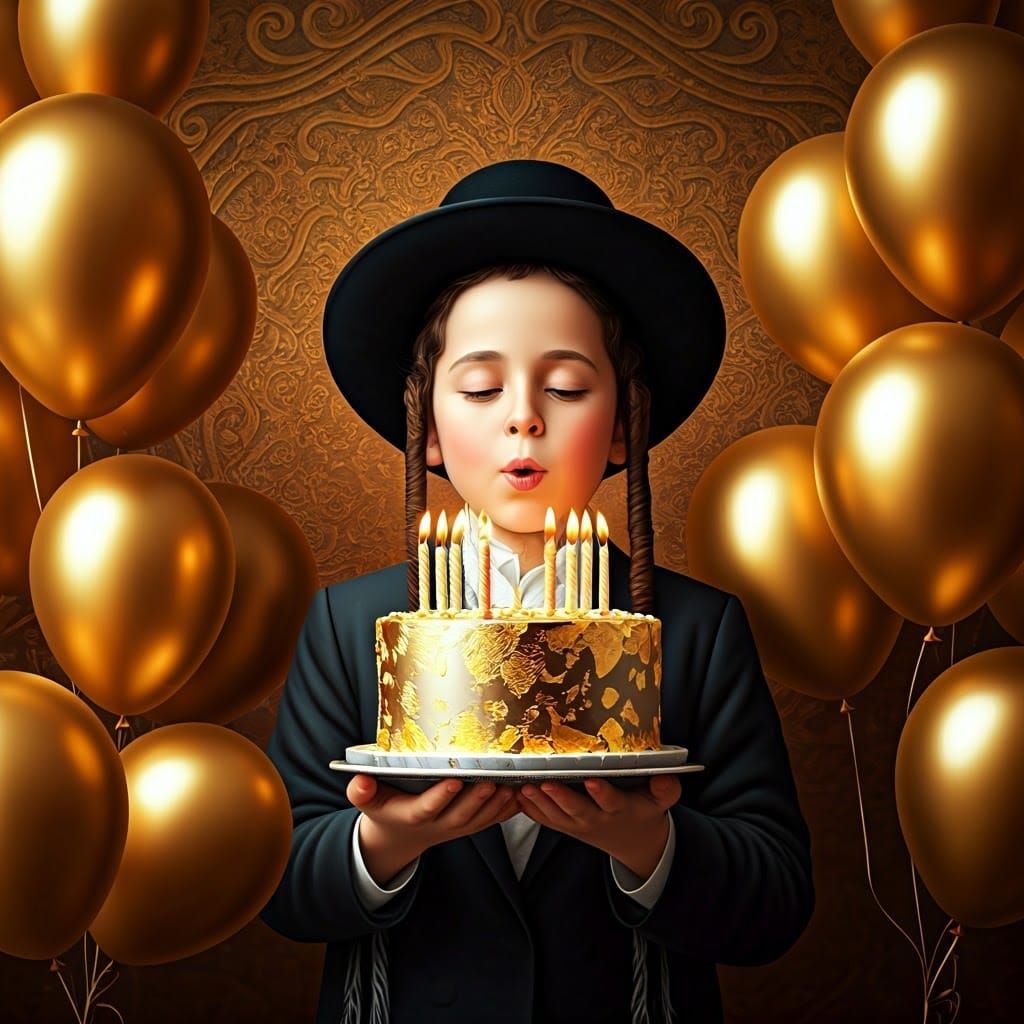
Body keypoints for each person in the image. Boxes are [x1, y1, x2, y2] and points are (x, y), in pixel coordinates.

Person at [260, 160, 814, 1024]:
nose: (524, 416)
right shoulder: (350, 626)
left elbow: (777, 900)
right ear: (429, 430)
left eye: (564, 386)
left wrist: (648, 843)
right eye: (481, 387)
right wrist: (384, 841)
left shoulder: (696, 629)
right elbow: (278, 881)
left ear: (624, 422)